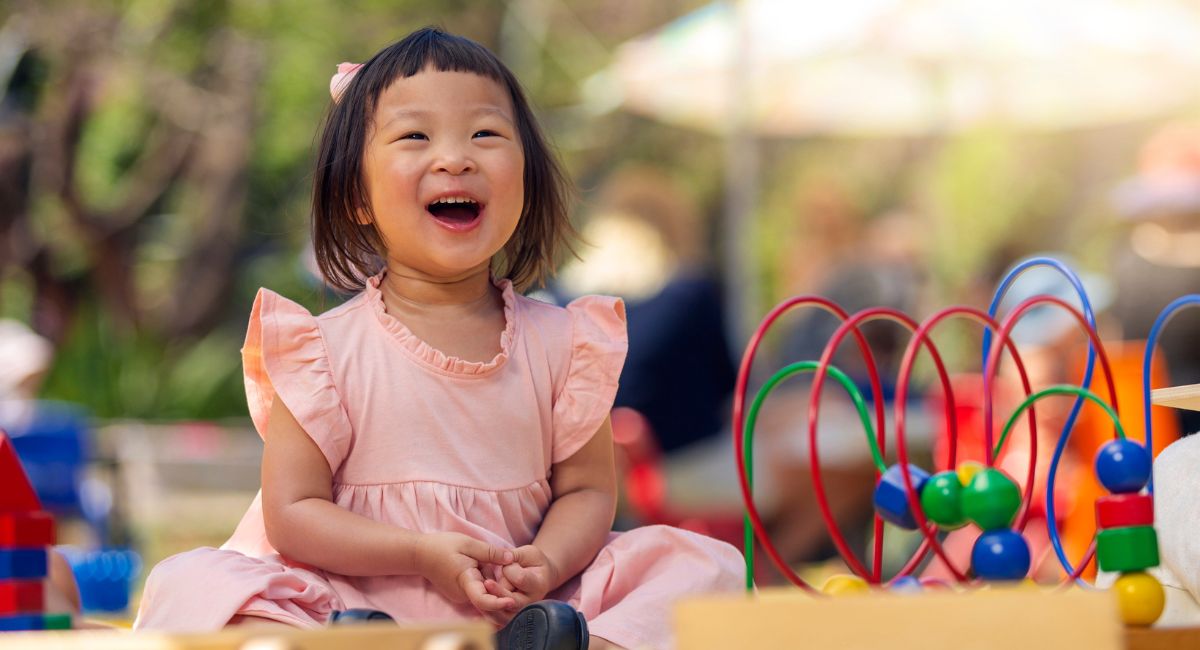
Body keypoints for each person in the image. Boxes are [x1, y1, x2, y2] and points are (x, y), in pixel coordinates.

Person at [128, 28, 742, 649]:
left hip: (522, 607)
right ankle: (361, 643)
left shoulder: (563, 344)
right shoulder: (323, 351)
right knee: (191, 582)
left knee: (701, 569)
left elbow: (587, 490)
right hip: (350, 598)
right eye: (415, 136)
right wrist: (420, 553)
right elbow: (292, 515)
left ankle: (556, 643)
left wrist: (548, 563)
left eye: (486, 134)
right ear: (356, 197)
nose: (456, 158)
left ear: (524, 183)